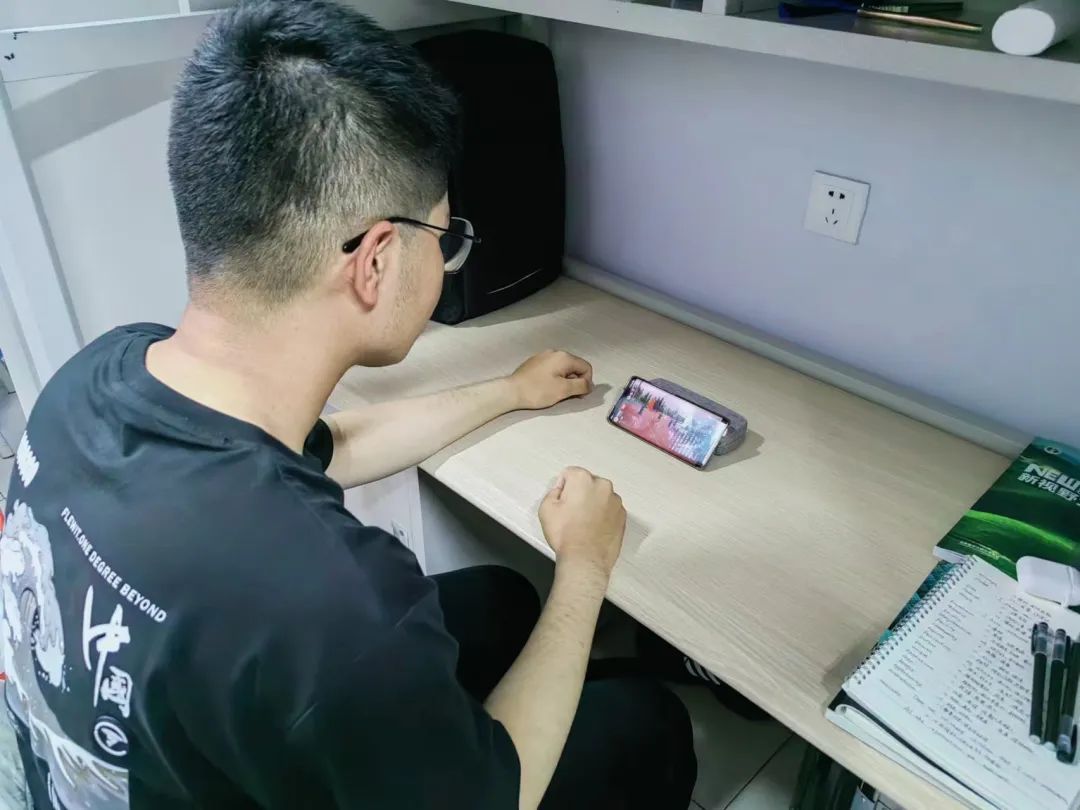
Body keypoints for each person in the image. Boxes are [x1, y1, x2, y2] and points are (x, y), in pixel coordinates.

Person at [0, 2, 697, 808]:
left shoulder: (105, 371)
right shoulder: (328, 595)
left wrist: (509, 391)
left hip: (136, 753)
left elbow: (337, 444)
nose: (448, 259)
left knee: (500, 604)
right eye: (445, 237)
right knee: (642, 723)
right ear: (375, 261)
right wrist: (585, 564)